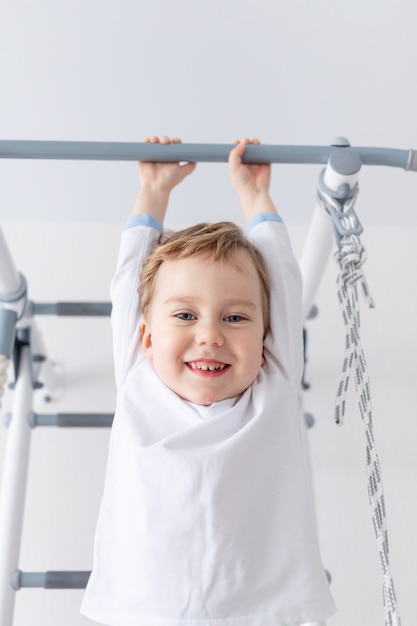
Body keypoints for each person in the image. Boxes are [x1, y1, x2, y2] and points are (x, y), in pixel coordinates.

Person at [80, 136, 335, 626]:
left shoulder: (272, 386)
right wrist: (153, 192)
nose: (210, 336)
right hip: (145, 609)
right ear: (147, 336)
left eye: (236, 319)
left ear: (266, 338)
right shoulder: (139, 379)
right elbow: (127, 280)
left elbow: (281, 282)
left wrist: (256, 198)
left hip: (265, 610)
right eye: (185, 315)